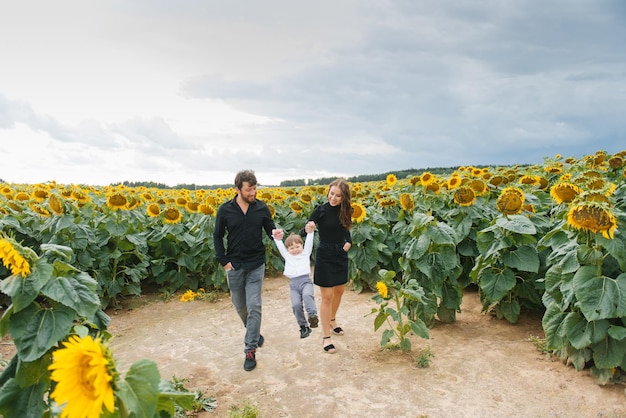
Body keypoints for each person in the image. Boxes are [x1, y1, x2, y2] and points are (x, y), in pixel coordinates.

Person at [213, 170, 284, 371]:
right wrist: (224, 261)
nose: (253, 193)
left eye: (254, 188)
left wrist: (276, 233)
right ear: (237, 190)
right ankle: (254, 332)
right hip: (234, 266)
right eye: (249, 189)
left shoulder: (261, 208)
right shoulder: (225, 210)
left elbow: (270, 229)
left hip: (255, 264)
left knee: (254, 306)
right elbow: (217, 236)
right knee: (240, 307)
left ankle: (250, 349)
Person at [305, 178, 352, 354]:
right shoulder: (321, 210)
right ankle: (326, 337)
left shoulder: (347, 211)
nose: (333, 198)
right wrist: (309, 226)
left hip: (340, 255)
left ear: (343, 198)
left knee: (339, 291)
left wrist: (348, 243)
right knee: (327, 296)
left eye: (338, 196)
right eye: (332, 194)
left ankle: (332, 320)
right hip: (325, 255)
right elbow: (307, 227)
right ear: (328, 192)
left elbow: (347, 231)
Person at [273, 229, 319, 339]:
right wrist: (276, 237)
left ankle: (312, 315)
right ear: (287, 249)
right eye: (291, 248)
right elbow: (279, 245)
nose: (295, 250)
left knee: (307, 295)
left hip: (305, 281)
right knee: (296, 305)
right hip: (293, 284)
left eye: (297, 246)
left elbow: (309, 241)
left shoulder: (305, 253)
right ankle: (303, 326)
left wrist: (310, 232)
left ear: (302, 245)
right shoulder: (287, 256)